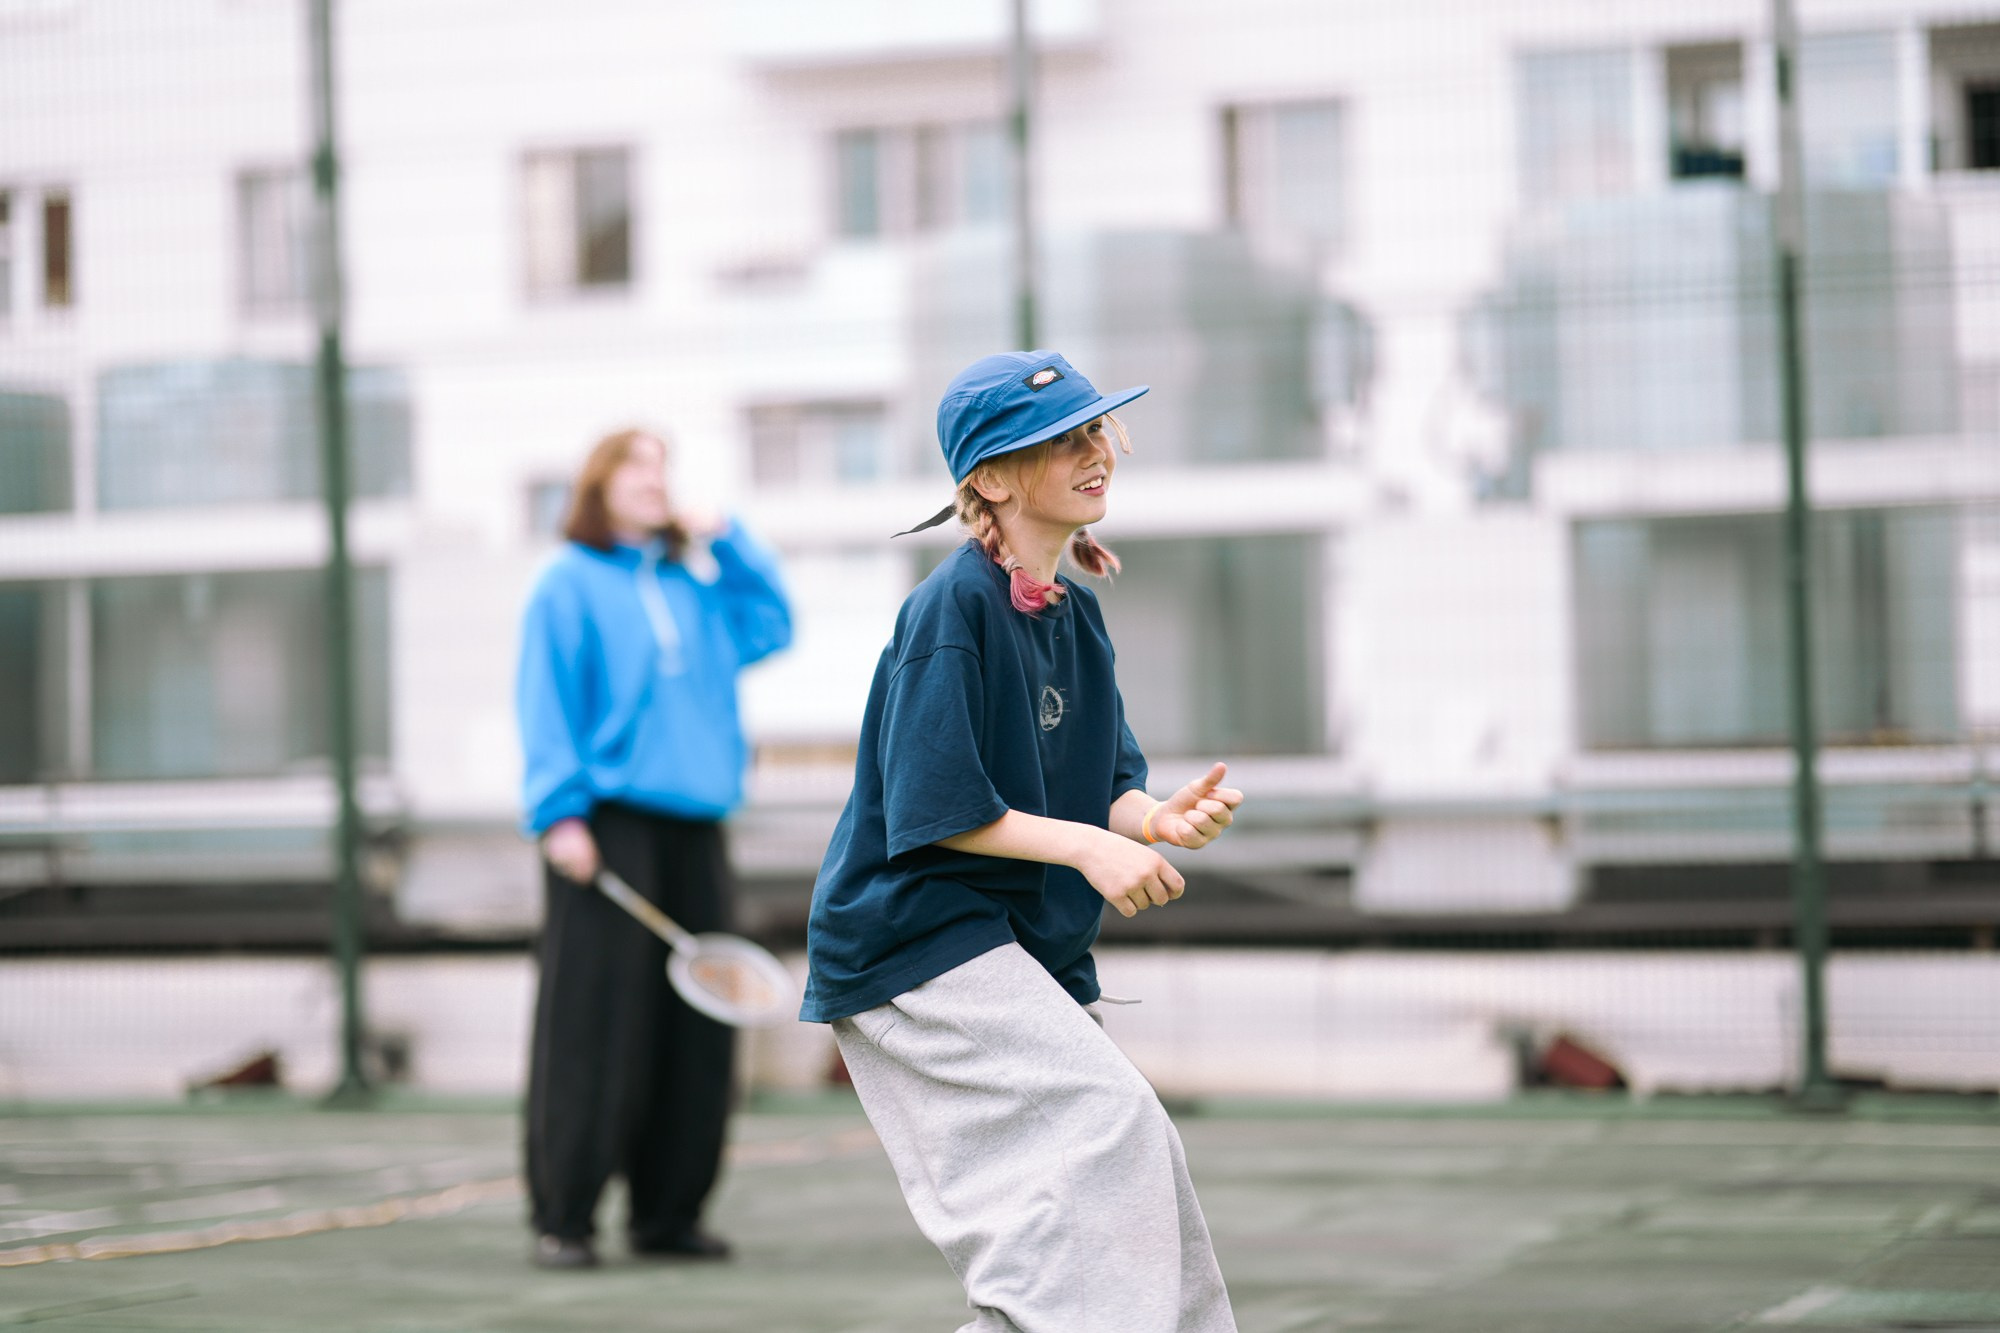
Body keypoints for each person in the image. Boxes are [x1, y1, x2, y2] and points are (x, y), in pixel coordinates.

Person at [801, 351, 1242, 1332]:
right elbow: (937, 807)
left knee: (1127, 1167)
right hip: (914, 947)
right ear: (989, 479)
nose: (1095, 451)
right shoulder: (950, 609)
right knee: (1107, 1134)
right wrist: (1089, 850)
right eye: (1063, 438)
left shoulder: (1074, 617)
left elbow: (1110, 785)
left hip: (999, 947)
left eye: (1098, 431)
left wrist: (1153, 820)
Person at [516, 427, 791, 1270]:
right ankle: (565, 1214)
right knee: (595, 1025)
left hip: (696, 828)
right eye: (635, 466)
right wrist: (560, 814)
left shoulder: (696, 586)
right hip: (605, 830)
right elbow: (546, 700)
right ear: (598, 484)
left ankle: (668, 1213)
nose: (653, 481)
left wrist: (726, 535)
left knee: (696, 1030)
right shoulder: (566, 582)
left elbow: (774, 624)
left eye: (662, 469)